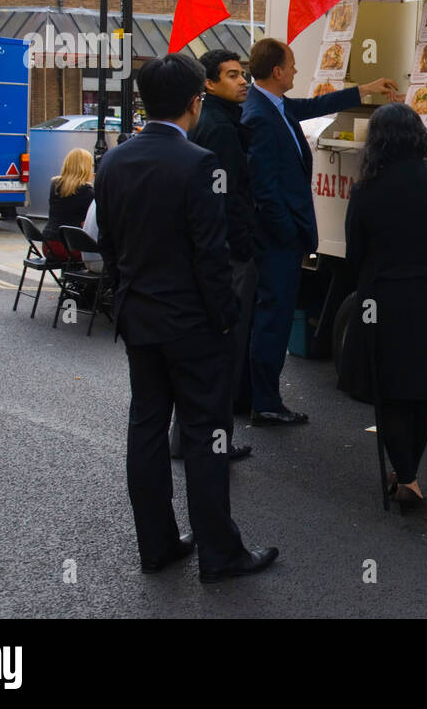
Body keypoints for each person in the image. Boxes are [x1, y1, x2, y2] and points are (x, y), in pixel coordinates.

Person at [95, 53, 277, 583]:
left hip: (139, 315)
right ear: (195, 102)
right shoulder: (198, 163)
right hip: (194, 322)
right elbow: (210, 255)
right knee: (205, 434)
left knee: (147, 427)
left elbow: (109, 243)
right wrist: (225, 318)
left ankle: (157, 544)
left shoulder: (112, 162)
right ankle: (220, 552)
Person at [242, 36, 397, 426]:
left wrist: (365, 89)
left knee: (273, 320)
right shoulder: (259, 115)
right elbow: (264, 188)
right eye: (291, 65)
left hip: (285, 238)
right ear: (276, 72)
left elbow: (315, 106)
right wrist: (288, 233)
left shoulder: (274, 105)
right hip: (279, 241)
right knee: (272, 322)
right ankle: (265, 402)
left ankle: (263, 397)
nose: (296, 70)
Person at [340, 102, 427, 512]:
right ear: (418, 137)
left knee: (391, 392)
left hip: (381, 301)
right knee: (425, 392)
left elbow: (354, 255)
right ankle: (409, 474)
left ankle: (406, 476)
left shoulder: (364, 191)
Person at [167, 49, 254, 462]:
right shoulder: (220, 129)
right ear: (209, 84)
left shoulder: (213, 122)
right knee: (224, 351)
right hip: (229, 255)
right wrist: (242, 248)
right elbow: (229, 198)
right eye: (233, 75)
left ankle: (185, 435)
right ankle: (214, 440)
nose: (243, 82)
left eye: (244, 75)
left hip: (207, 255)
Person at [43, 147, 94, 262]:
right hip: (70, 248)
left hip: (48, 245)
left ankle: (68, 278)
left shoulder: (55, 185)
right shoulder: (87, 192)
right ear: (85, 168)